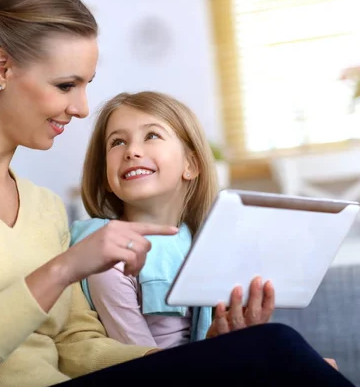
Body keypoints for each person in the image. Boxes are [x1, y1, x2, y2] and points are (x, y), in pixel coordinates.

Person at [0, 0, 353, 386]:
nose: (83, 108)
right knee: (280, 352)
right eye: (67, 85)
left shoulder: (43, 206)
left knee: (273, 355)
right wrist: (67, 266)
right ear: (1, 68)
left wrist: (210, 360)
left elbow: (75, 345)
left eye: (86, 85)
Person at [70, 91, 271, 348]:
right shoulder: (107, 256)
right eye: (117, 142)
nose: (131, 151)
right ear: (105, 178)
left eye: (152, 135)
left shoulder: (209, 248)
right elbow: (142, 365)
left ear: (191, 164)